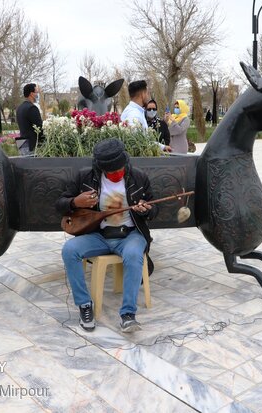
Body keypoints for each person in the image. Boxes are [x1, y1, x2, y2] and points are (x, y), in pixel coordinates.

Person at [56, 138, 158, 333]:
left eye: (120, 169)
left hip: (130, 234)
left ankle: (128, 314)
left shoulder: (139, 177)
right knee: (70, 250)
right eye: (111, 172)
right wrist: (75, 202)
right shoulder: (85, 178)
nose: (117, 174)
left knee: (134, 255)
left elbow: (155, 209)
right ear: (101, 168)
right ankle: (85, 305)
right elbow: (59, 204)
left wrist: (146, 210)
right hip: (99, 235)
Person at [16, 83, 44, 156]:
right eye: (36, 92)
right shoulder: (32, 108)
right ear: (31, 94)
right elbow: (39, 127)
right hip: (32, 145)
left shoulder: (20, 108)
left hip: (22, 143)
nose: (37, 94)